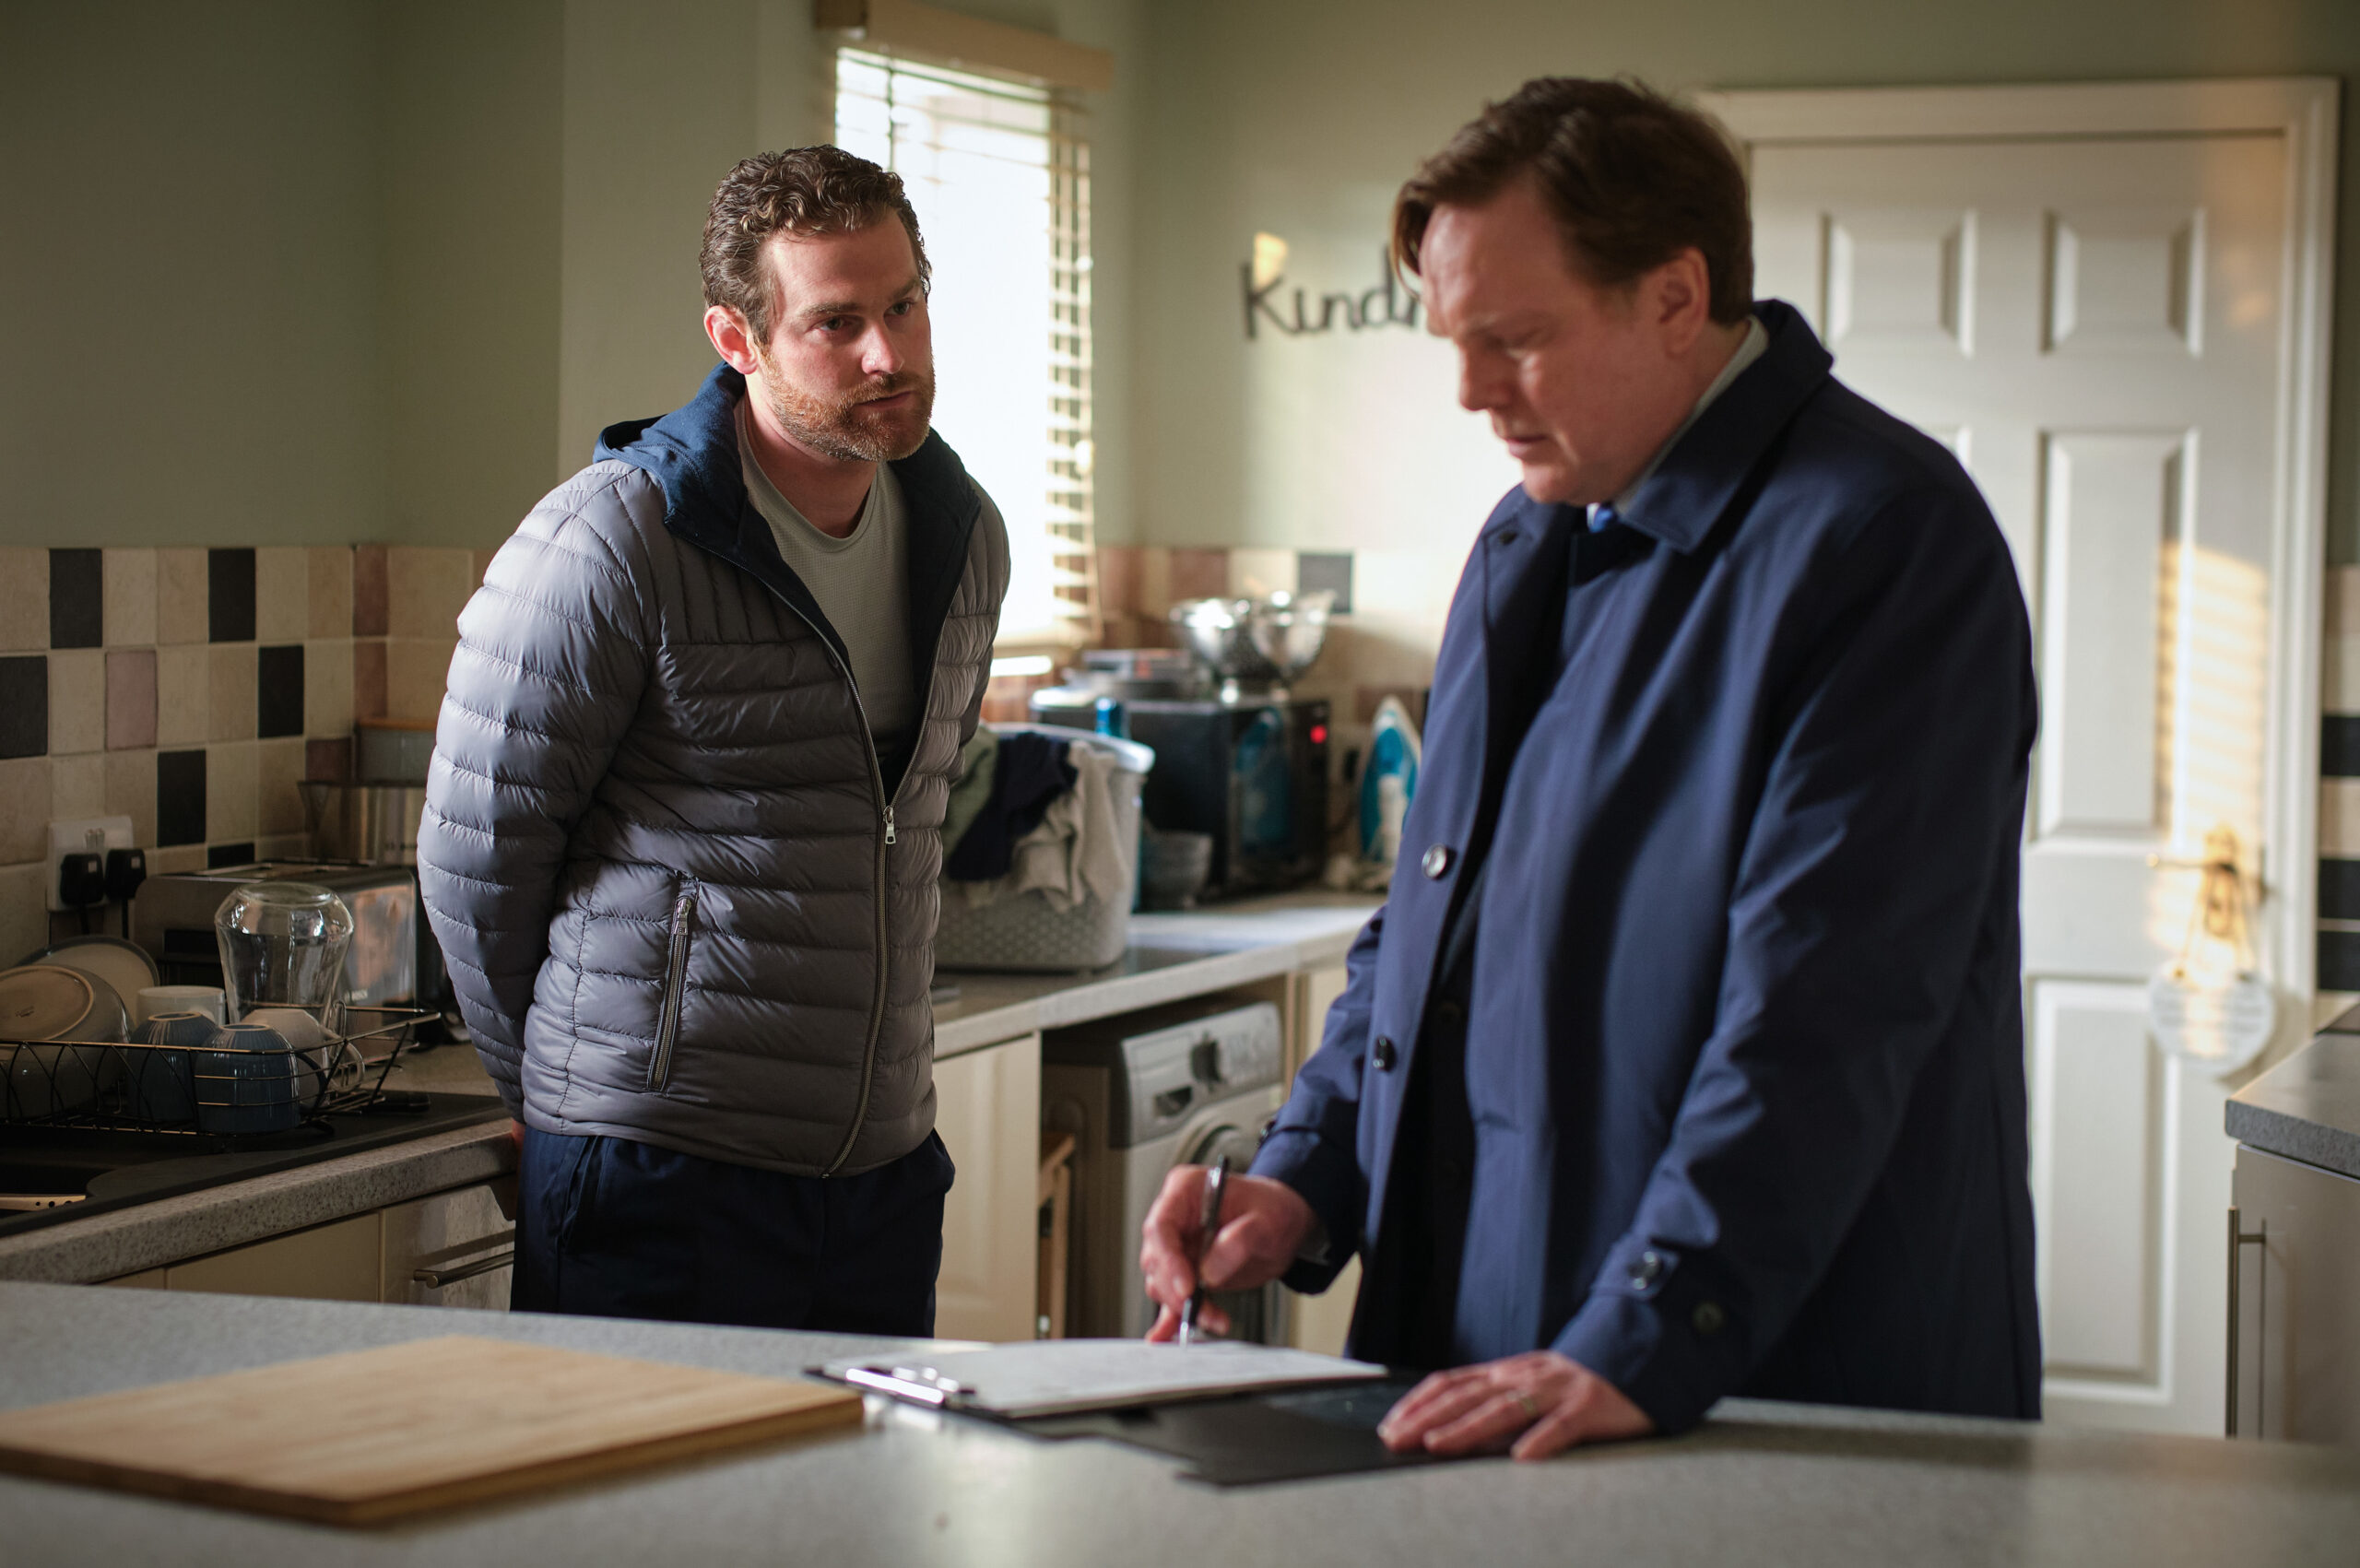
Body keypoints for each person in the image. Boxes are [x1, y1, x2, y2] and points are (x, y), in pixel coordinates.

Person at [1139, 78, 2040, 1459]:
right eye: (1455, 343)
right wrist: (1302, 1173)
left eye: (1514, 340)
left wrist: (1652, 1330)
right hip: (1490, 1355)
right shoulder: (1525, 540)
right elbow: (1430, 923)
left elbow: (1826, 1012)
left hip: (1756, 1378)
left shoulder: (1884, 544)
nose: (1471, 392)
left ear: (1675, 297)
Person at [419, 147, 1009, 1333]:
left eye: (903, 306)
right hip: (657, 1171)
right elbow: (475, 856)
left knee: (861, 1467)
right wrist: (551, 1096)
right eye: (836, 323)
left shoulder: (962, 532)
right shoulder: (611, 540)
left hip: (881, 1171)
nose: (888, 355)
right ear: (737, 340)